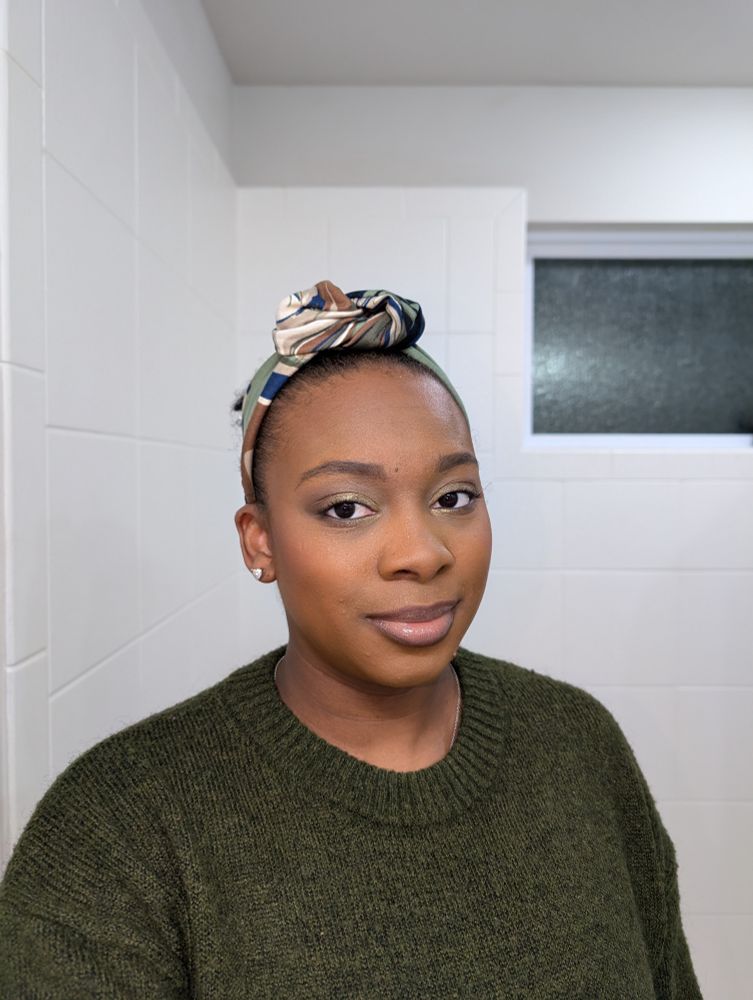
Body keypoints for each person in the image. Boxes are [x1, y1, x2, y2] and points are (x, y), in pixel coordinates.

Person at [0, 280, 702, 998]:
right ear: (261, 540)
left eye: (452, 497)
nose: (421, 553)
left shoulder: (576, 742)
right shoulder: (118, 830)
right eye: (345, 508)